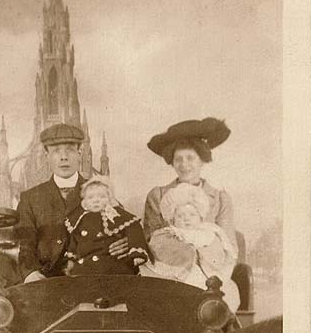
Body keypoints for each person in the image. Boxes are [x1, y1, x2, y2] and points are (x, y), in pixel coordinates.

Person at [16, 123, 129, 282]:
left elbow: (124, 228)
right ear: (47, 156)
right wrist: (30, 273)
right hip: (45, 281)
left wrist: (126, 241)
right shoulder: (30, 198)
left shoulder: (100, 191)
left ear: (80, 153)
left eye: (69, 149)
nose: (64, 157)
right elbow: (24, 244)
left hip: (92, 279)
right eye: (56, 151)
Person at [144, 117, 238, 254]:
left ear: (202, 160)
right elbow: (150, 243)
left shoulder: (220, 199)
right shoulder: (157, 196)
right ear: (172, 162)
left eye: (190, 158)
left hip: (213, 269)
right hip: (168, 267)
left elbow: (230, 248)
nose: (184, 165)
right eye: (178, 159)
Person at [141, 183, 239, 310]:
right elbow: (161, 253)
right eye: (180, 216)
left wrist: (204, 254)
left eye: (192, 215)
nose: (186, 219)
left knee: (224, 294)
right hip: (178, 277)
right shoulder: (168, 234)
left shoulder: (209, 233)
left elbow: (220, 255)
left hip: (208, 275)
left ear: (200, 217)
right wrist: (187, 251)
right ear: (172, 219)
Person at [64, 175, 150, 276]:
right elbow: (74, 242)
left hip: (111, 265)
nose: (96, 200)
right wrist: (70, 261)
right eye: (91, 197)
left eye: (101, 196)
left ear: (109, 198)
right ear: (84, 202)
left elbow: (134, 230)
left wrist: (137, 253)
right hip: (85, 267)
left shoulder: (116, 215)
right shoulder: (80, 220)